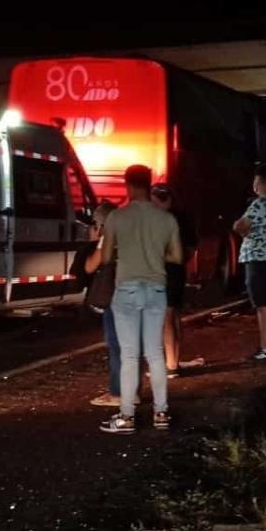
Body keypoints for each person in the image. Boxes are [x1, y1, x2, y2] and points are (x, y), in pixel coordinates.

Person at [99, 165, 183, 434]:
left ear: (128, 185)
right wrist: (156, 255)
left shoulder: (117, 217)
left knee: (129, 355)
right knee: (155, 354)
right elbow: (178, 257)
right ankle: (161, 413)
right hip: (157, 289)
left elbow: (106, 258)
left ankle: (127, 416)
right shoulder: (166, 219)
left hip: (126, 290)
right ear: (149, 185)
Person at [85, 202, 137, 408]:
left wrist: (94, 241)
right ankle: (133, 392)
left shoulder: (107, 239)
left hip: (116, 298)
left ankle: (118, 394)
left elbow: (90, 267)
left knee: (116, 346)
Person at [234, 163, 266, 360]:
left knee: (263, 306)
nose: (253, 185)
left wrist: (240, 228)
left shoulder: (259, 204)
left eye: (255, 181)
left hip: (258, 260)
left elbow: (240, 226)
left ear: (261, 183)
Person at [150, 184, 197, 378]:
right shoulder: (182, 217)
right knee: (173, 316)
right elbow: (192, 248)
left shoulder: (160, 220)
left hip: (163, 273)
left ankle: (170, 366)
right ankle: (173, 360)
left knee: (166, 318)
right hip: (177, 273)